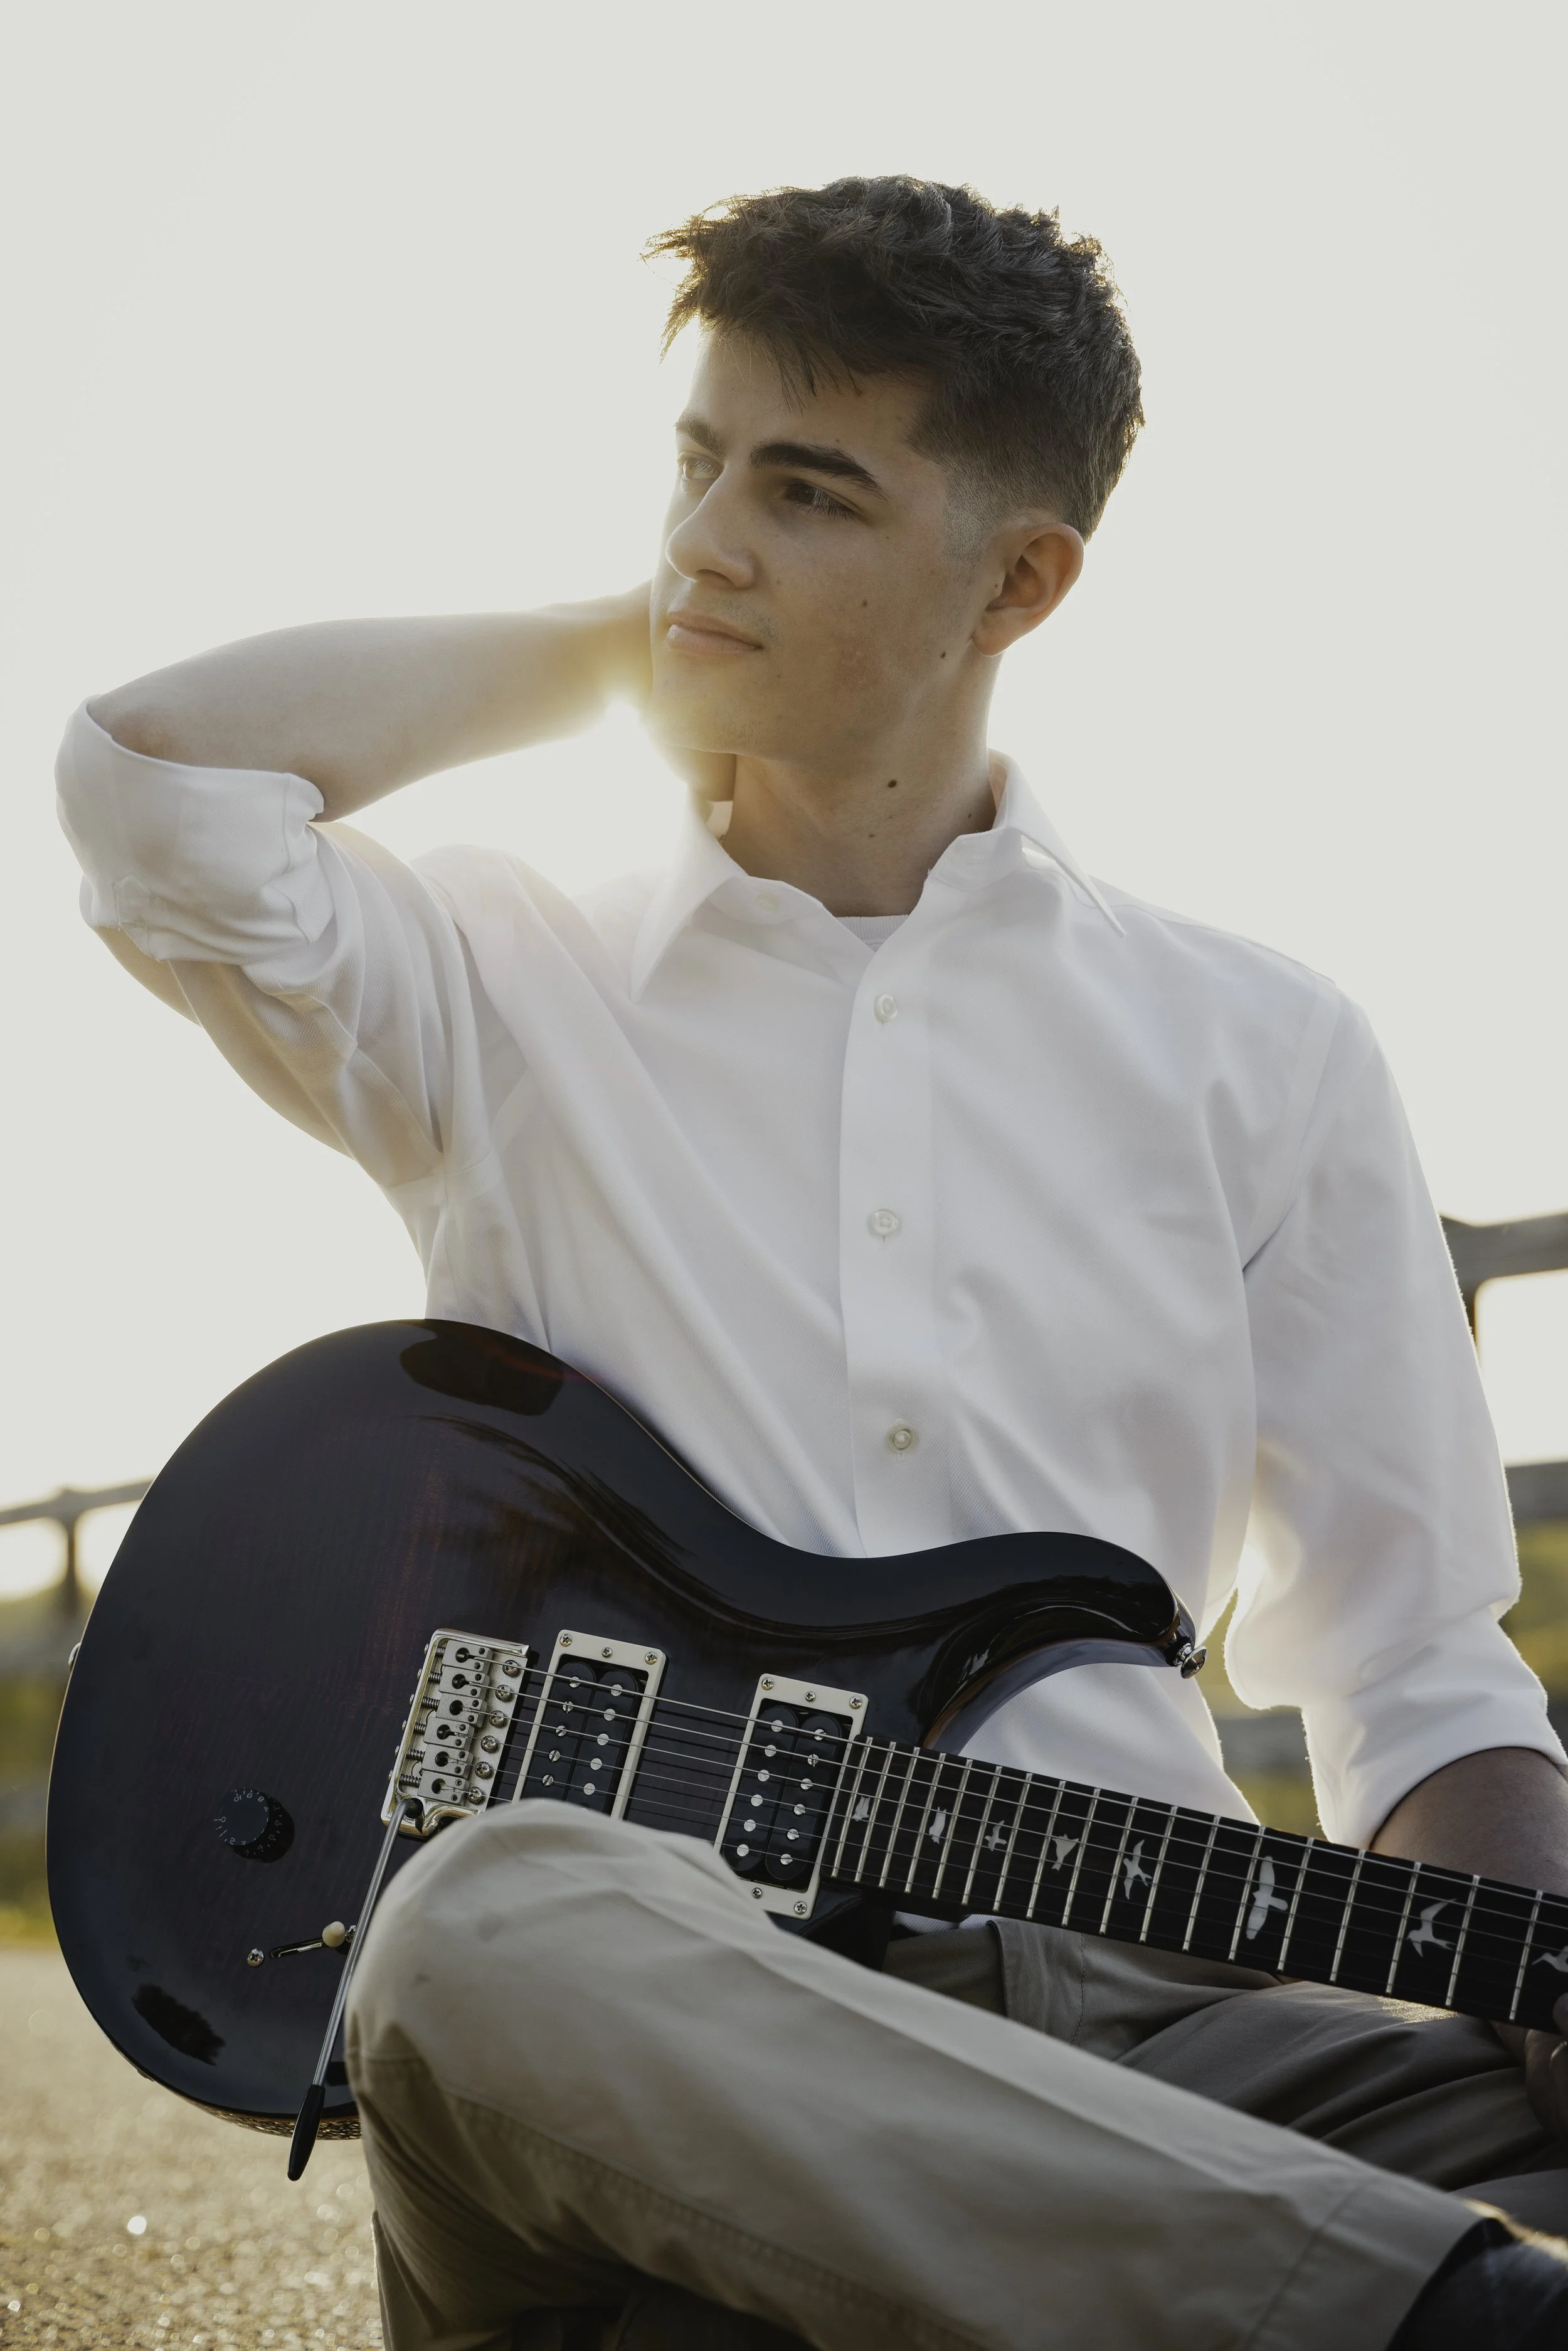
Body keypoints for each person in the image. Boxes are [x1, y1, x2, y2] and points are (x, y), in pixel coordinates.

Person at [55, 176, 1568, 2349]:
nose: (707, 532)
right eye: (693, 461)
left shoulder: (1265, 1049)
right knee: (473, 1936)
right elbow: (147, 783)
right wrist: (675, 624)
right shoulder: (501, 966)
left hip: (1174, 2029)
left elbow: (1415, 1675)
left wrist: (1538, 1985)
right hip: (666, 2034)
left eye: (811, 488)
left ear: (1018, 579)